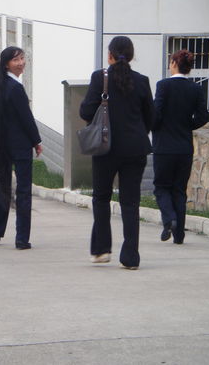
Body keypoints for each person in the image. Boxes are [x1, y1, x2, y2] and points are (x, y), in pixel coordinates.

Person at [80, 36, 154, 270]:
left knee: (101, 198)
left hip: (105, 147)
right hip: (135, 149)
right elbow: (152, 117)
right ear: (131, 56)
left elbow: (85, 111)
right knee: (130, 202)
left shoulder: (99, 78)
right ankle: (131, 257)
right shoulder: (142, 81)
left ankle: (102, 250)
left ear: (110, 55)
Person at [0, 46, 42, 250]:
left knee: (3, 187)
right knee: (24, 191)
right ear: (7, 64)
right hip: (19, 146)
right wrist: (36, 141)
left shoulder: (0, 85)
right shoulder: (15, 88)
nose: (21, 63)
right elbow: (26, 119)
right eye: (17, 60)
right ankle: (21, 238)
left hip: (2, 144)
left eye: (23, 58)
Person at [152, 50, 209, 244]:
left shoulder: (163, 86)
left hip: (164, 147)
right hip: (184, 148)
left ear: (175, 63)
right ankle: (179, 236)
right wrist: (187, 126)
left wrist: (155, 126)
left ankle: (169, 220)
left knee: (161, 188)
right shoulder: (195, 89)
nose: (169, 64)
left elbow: (156, 114)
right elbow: (203, 117)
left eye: (170, 61)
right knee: (179, 190)